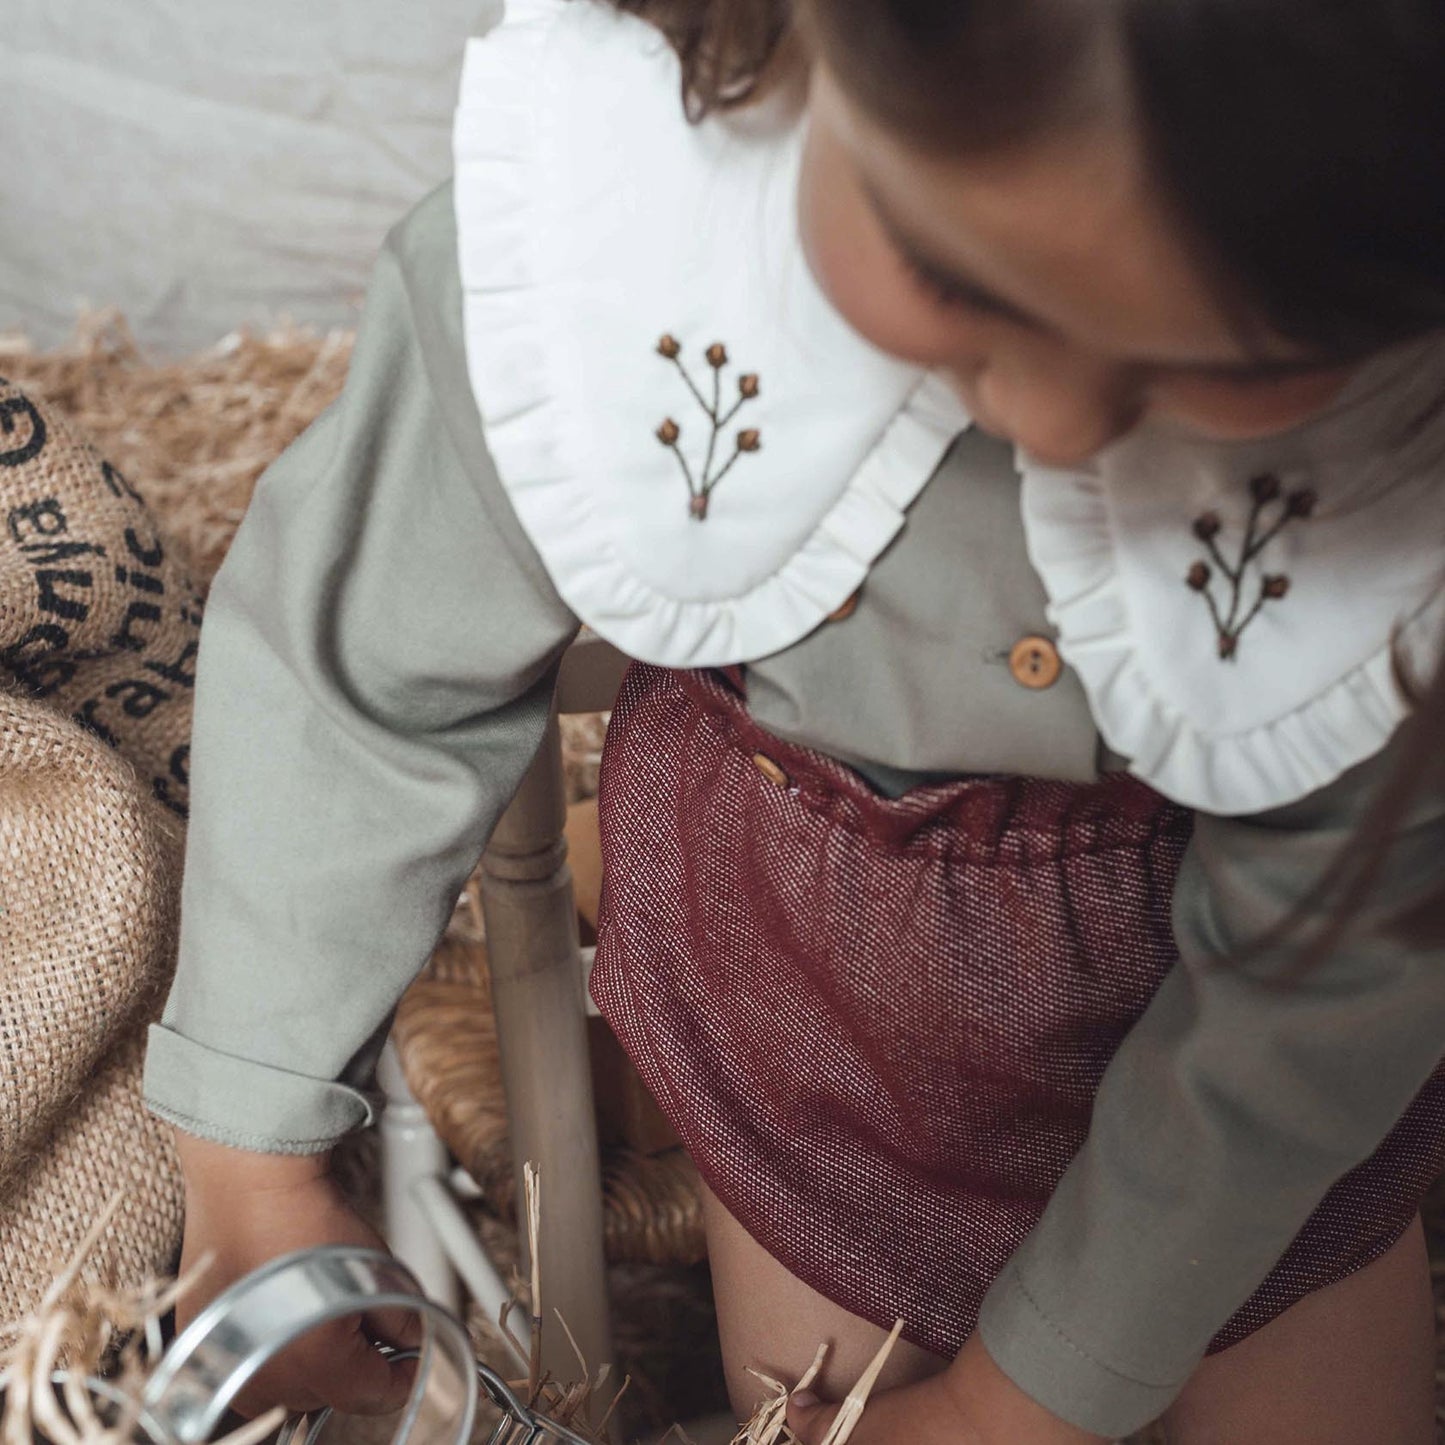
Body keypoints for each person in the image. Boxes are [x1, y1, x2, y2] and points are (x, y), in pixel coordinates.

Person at [142, 0, 1445, 1440]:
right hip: (808, 1064)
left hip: (1256, 1126)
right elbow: (358, 676)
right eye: (958, 275)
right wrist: (250, 1164)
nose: (1061, 427)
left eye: (1233, 360)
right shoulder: (610, 254)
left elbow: (1323, 975)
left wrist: (1019, 1406)